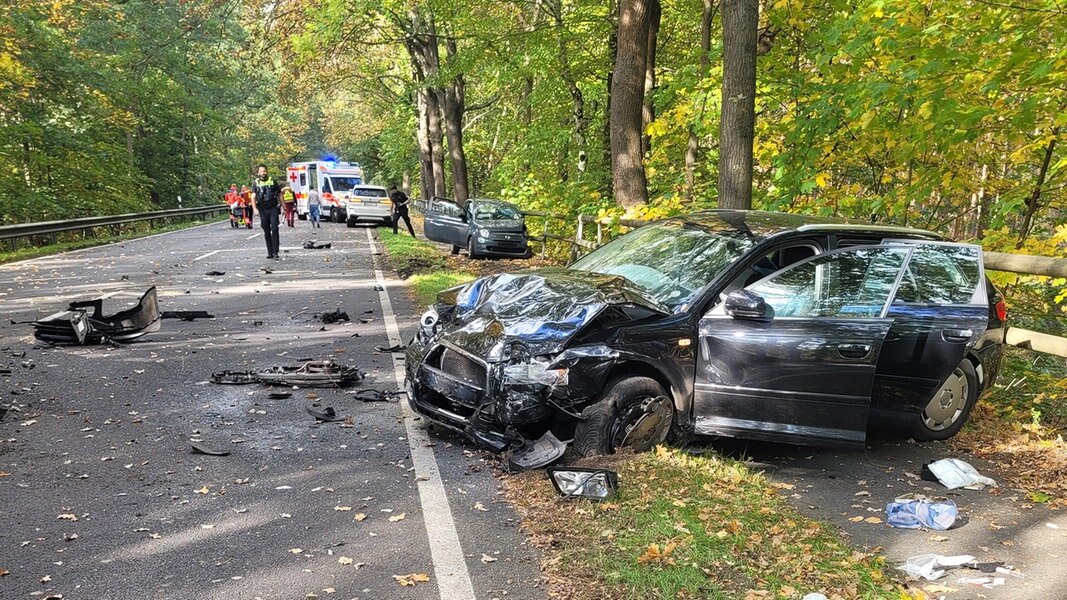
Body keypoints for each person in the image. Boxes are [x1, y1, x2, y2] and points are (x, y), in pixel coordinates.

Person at [251, 164, 282, 259]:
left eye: (264, 171)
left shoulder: (272, 181)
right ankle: (270, 251)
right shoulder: (255, 183)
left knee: (275, 229)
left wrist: (284, 207)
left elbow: (280, 194)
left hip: (273, 208)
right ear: (258, 172)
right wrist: (255, 209)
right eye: (261, 171)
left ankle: (275, 251)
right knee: (267, 230)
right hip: (262, 209)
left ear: (266, 171)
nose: (263, 173)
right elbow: (253, 196)